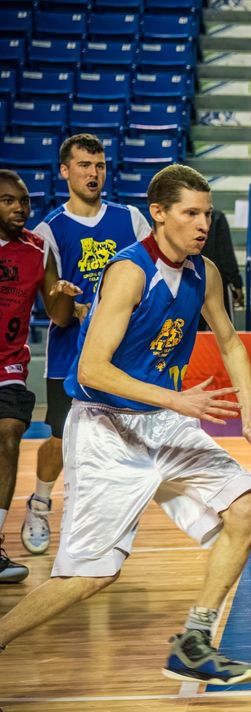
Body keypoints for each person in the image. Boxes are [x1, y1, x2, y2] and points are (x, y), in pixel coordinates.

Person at [0, 164, 251, 698]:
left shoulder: (205, 273)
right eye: (190, 213)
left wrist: (249, 417)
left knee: (246, 506)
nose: (201, 224)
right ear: (159, 214)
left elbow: (231, 341)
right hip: (106, 427)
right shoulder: (130, 271)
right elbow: (90, 371)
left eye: (207, 214)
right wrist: (178, 398)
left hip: (163, 421)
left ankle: (194, 641)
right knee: (91, 576)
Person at [20, 133, 151, 557]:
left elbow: (151, 280)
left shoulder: (130, 218)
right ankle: (40, 502)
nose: (92, 174)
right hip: (70, 355)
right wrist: (64, 297)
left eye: (98, 166)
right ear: (64, 171)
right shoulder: (48, 230)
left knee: (116, 439)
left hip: (120, 354)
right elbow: (54, 314)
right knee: (61, 439)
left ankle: (95, 521)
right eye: (83, 166)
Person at [0, 170, 80, 586]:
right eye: (8, 201)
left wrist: (61, 294)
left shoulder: (37, 249)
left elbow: (57, 314)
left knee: (11, 431)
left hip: (8, 364)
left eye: (24, 201)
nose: (19, 209)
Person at [200, 206, 244, 325]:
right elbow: (226, 253)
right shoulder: (217, 217)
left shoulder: (178, 217)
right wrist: (237, 283)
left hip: (188, 282)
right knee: (223, 330)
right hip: (217, 285)